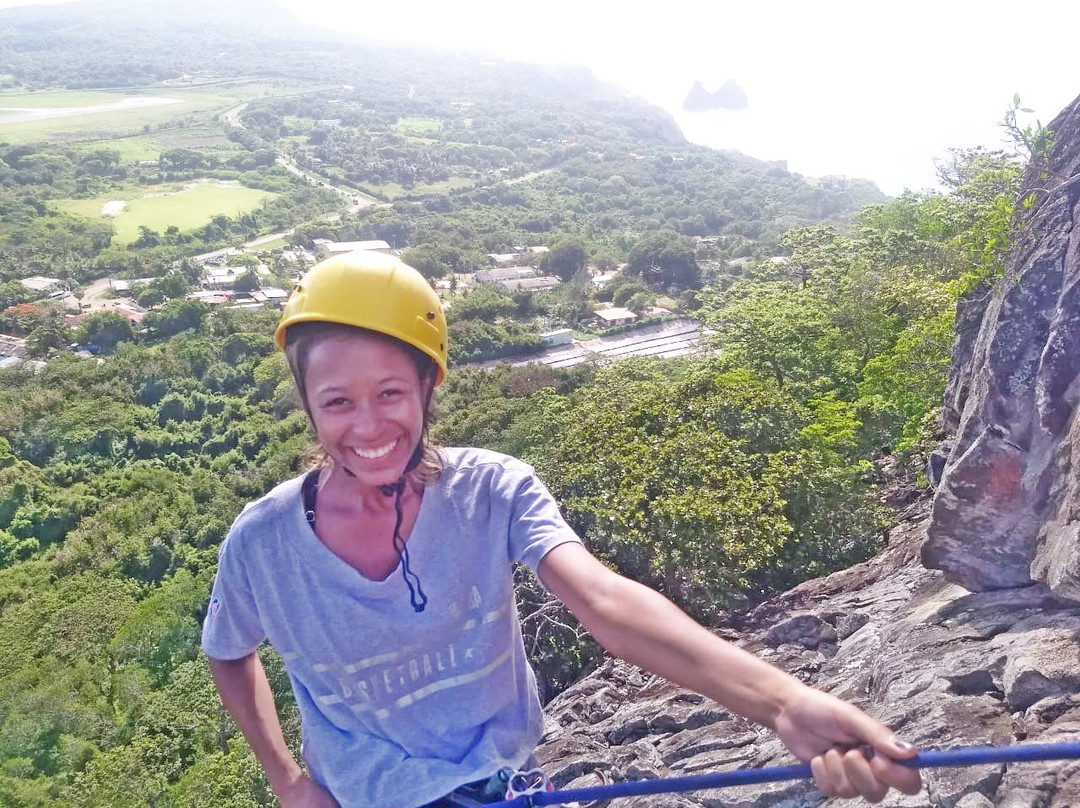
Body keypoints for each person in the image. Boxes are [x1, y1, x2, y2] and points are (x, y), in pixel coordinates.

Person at [201, 251, 922, 808]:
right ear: (307, 405)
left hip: (504, 782)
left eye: (390, 392)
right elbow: (229, 654)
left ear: (426, 385)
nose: (367, 426)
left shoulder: (491, 491)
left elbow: (603, 601)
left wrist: (783, 704)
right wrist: (288, 781)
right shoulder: (263, 544)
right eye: (337, 402)